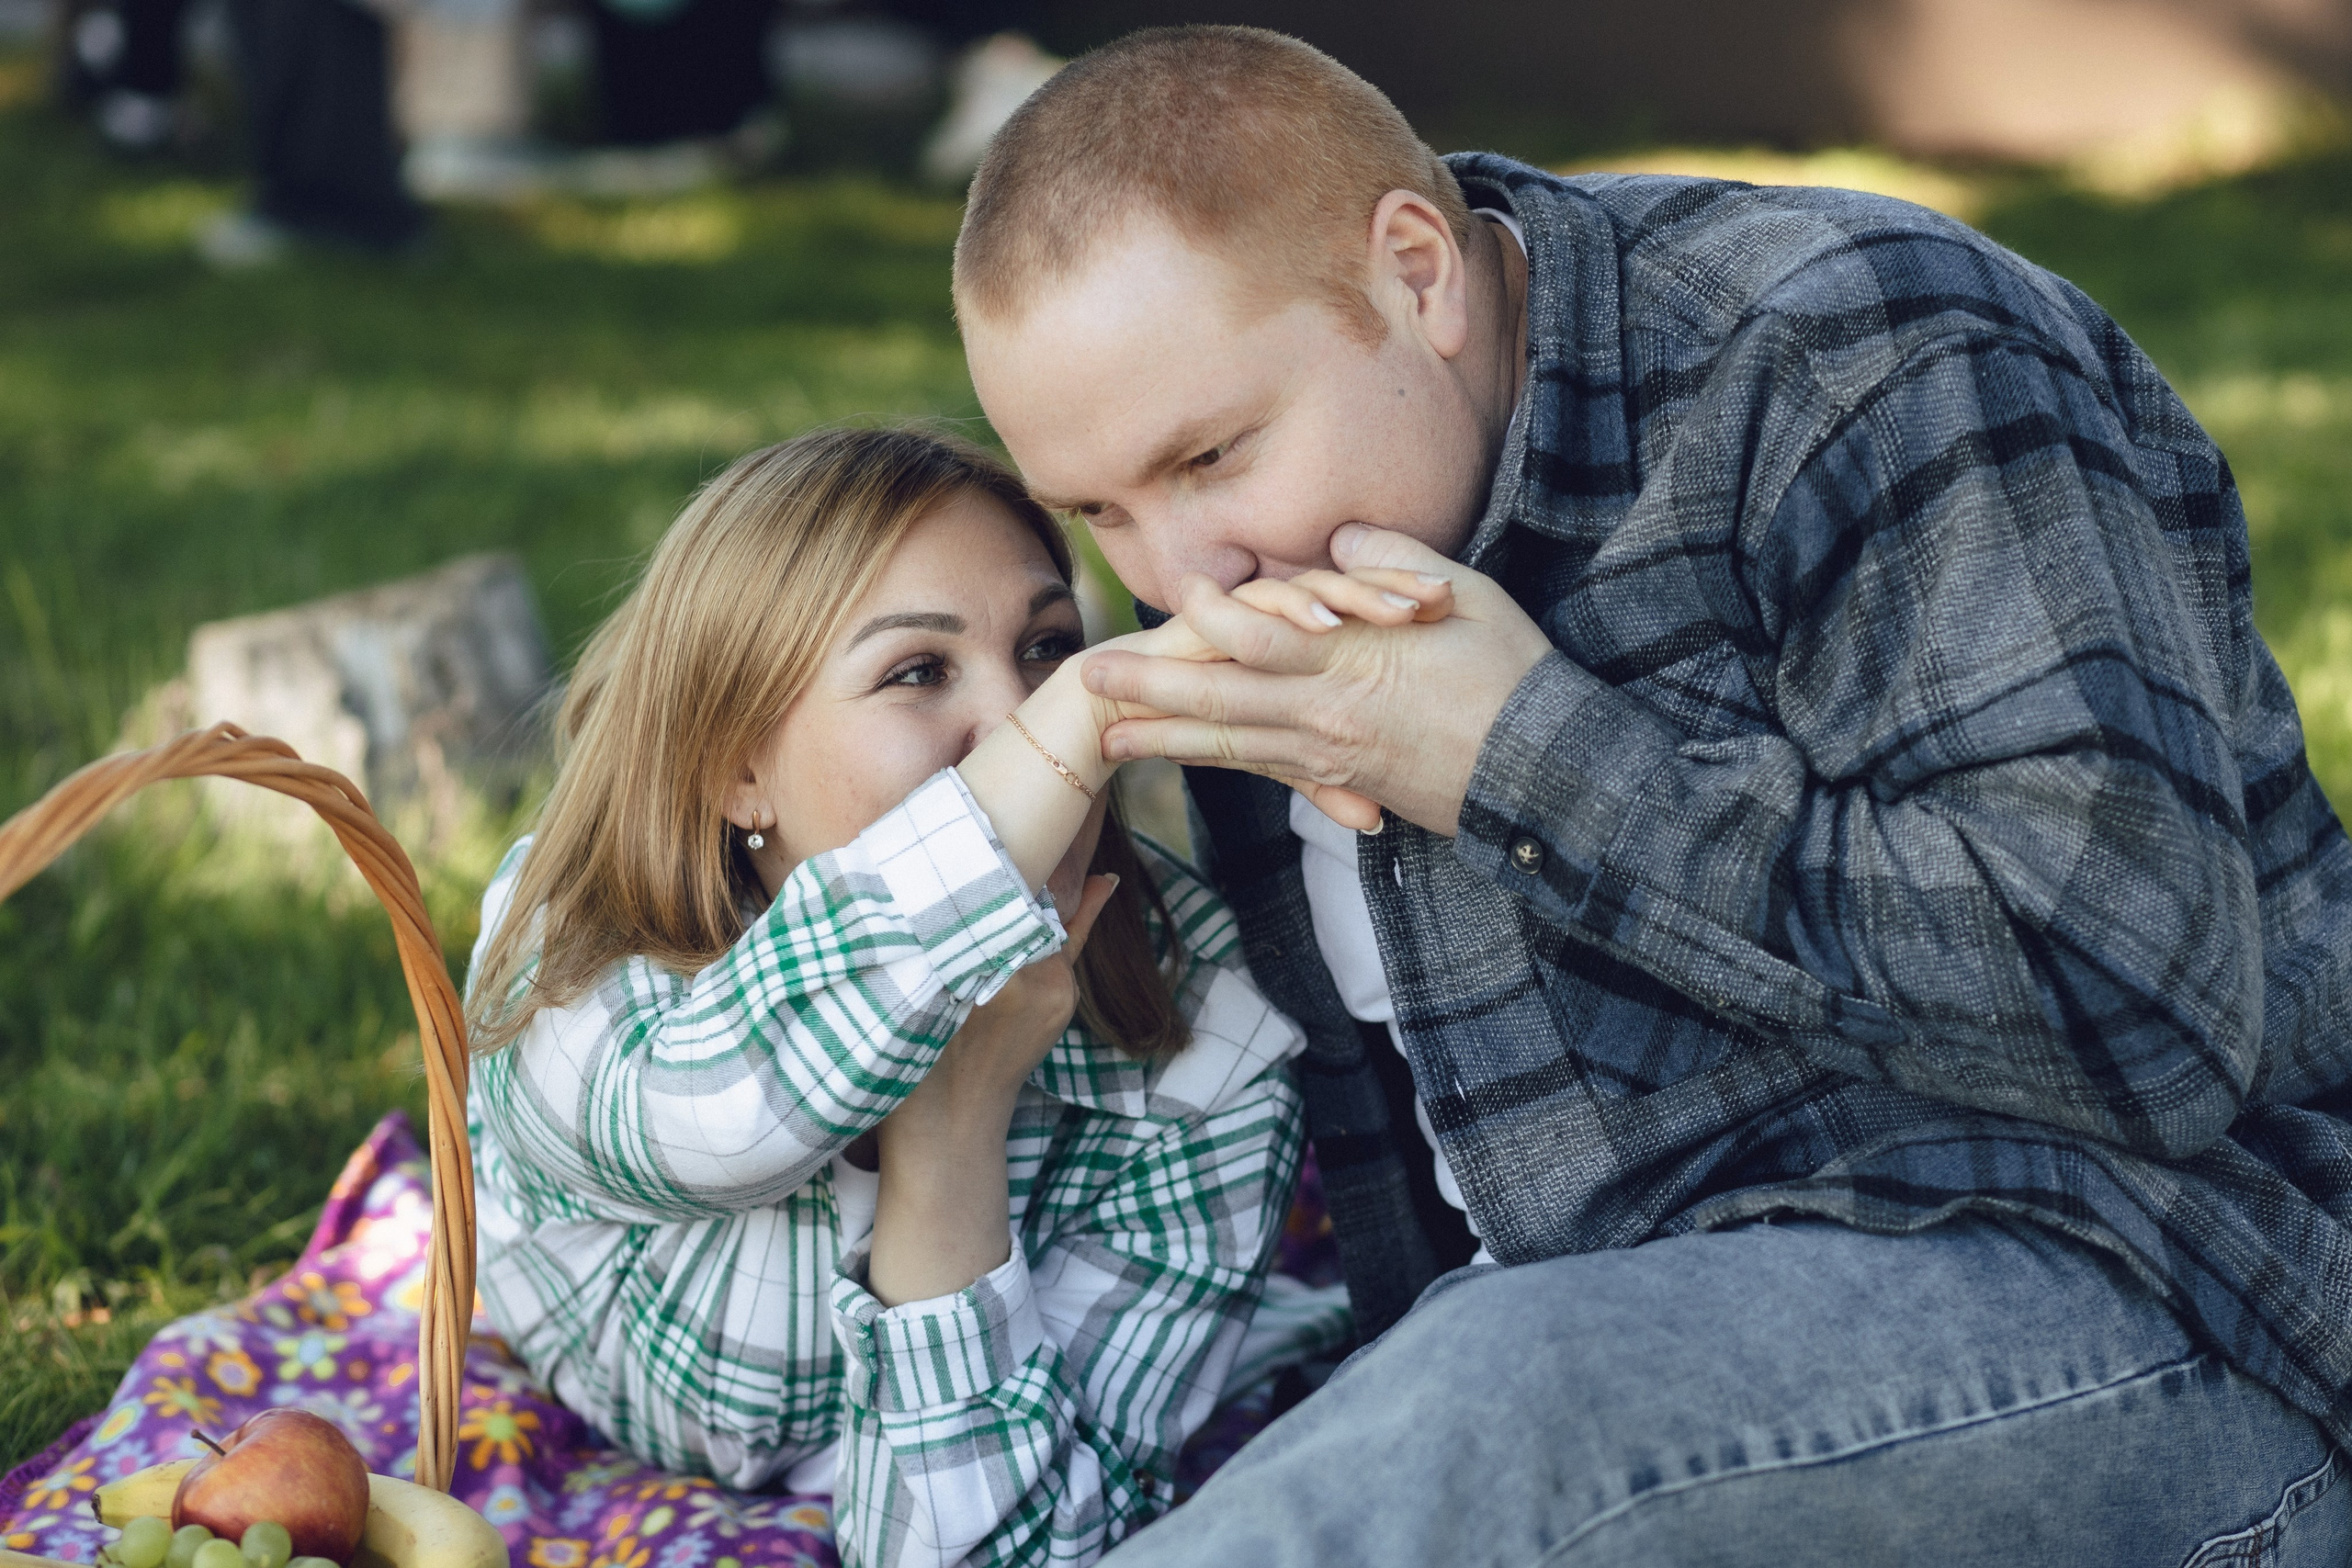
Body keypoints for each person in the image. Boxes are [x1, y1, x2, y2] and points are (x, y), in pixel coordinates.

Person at [951, 25, 2352, 1565]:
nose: (1175, 575)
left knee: (1501, 1399)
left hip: (2165, 1323)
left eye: (1211, 454)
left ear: (1417, 275)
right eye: (1096, 512)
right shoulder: (1265, 557)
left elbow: (2145, 1007)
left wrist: (1520, 762)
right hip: (1652, 1406)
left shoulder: (1855, 349)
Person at [459, 426, 1430, 1566]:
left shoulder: (1204, 1042)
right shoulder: (581, 929)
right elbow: (719, 1118)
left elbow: (992, 1553)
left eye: (1051, 653)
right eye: (917, 670)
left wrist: (952, 1140)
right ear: (738, 770)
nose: (1023, 722)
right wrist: (1055, 752)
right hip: (596, 1368)